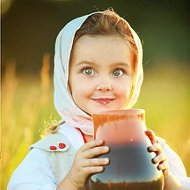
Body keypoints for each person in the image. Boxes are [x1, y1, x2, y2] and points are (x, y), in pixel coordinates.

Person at [7, 9, 190, 190]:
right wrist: (71, 182)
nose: (104, 84)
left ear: (135, 80)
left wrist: (167, 180)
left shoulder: (153, 149)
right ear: (65, 78)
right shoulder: (50, 154)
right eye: (88, 71)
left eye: (118, 72)